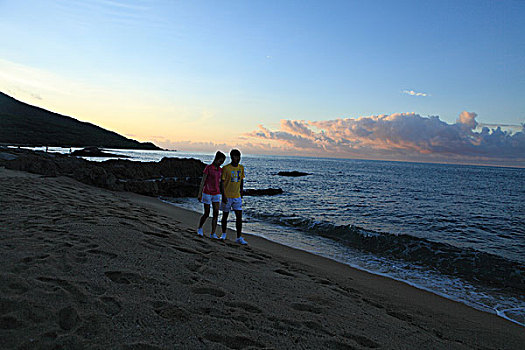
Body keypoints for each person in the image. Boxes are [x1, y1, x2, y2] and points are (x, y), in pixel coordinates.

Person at [220, 149, 247, 245]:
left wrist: (241, 191)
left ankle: (239, 237)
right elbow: (222, 183)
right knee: (225, 216)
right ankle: (223, 234)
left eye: (239, 156)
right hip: (227, 196)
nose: (238, 159)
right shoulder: (226, 168)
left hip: (237, 196)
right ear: (231, 157)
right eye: (236, 156)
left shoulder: (241, 168)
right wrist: (223, 195)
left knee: (239, 217)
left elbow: (241, 180)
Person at [197, 151, 226, 238]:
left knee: (216, 212)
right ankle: (200, 228)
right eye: (220, 161)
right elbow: (203, 181)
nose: (221, 163)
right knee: (207, 213)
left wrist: (224, 194)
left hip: (216, 193)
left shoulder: (221, 170)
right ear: (216, 159)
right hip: (207, 192)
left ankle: (213, 233)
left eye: (222, 162)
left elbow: (221, 183)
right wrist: (200, 194)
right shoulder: (208, 168)